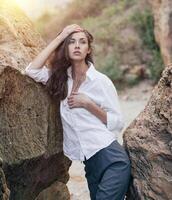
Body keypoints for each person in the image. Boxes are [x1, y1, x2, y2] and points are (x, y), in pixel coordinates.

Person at [24, 24, 131, 200]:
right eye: (71, 42)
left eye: (82, 42)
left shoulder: (100, 81)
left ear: (88, 50)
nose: (77, 46)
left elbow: (118, 122)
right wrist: (60, 37)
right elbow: (32, 70)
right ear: (65, 48)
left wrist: (89, 104)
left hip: (113, 160)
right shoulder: (60, 79)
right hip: (89, 164)